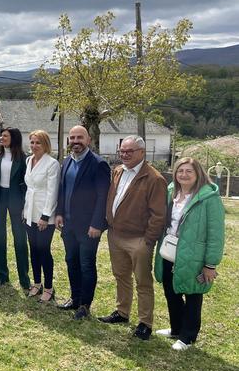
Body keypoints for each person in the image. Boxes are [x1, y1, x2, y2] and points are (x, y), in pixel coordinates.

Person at [100, 135, 167, 341]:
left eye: (130, 151)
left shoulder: (154, 178)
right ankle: (122, 312)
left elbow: (159, 214)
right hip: (116, 235)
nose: (125, 154)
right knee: (121, 276)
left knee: (143, 282)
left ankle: (145, 323)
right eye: (122, 151)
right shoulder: (118, 171)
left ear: (142, 153)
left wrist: (148, 239)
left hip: (139, 240)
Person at [154, 158, 225, 350]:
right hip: (169, 250)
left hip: (194, 254)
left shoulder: (208, 198)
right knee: (171, 290)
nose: (183, 175)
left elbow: (216, 233)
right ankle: (176, 329)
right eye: (180, 171)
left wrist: (210, 264)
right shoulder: (171, 192)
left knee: (193, 294)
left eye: (188, 171)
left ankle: (188, 337)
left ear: (198, 174)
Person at [55, 125, 111, 319]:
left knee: (86, 264)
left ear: (88, 140)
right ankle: (75, 298)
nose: (75, 141)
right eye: (72, 138)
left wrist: (97, 223)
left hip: (89, 227)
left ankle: (85, 305)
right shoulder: (66, 162)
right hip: (68, 224)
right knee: (71, 261)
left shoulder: (98, 164)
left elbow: (103, 197)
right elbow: (62, 190)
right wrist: (59, 213)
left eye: (80, 137)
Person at [0, 127, 29, 288]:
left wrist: (25, 206)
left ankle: (24, 277)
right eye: (1, 136)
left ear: (14, 138)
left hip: (16, 199)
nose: (1, 138)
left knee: (20, 239)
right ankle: (2, 275)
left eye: (5, 136)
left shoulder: (24, 158)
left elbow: (27, 185)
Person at [23, 130, 60, 303]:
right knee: (34, 249)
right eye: (32, 142)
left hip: (44, 216)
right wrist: (25, 211)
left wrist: (45, 217)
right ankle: (36, 283)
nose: (34, 146)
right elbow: (29, 188)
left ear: (45, 144)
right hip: (29, 213)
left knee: (44, 250)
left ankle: (49, 287)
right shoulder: (28, 160)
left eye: (38, 142)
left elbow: (52, 192)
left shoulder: (52, 164)